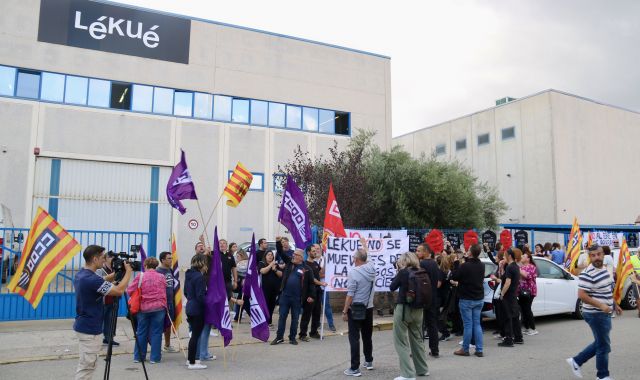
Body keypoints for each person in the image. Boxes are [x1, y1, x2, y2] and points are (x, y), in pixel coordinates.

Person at [74, 245, 132, 380]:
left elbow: (101, 282)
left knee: (87, 364)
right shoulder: (91, 279)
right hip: (90, 329)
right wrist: (128, 272)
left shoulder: (83, 274)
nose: (105, 260)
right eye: (102, 257)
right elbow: (118, 291)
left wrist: (117, 273)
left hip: (84, 325)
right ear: (95, 259)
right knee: (87, 367)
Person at [566, 244, 622, 380]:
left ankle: (576, 361)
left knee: (601, 342)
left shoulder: (603, 269)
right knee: (603, 345)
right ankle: (602, 376)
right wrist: (602, 305)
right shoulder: (587, 274)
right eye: (593, 255)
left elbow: (606, 290)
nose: (597, 257)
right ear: (589, 257)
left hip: (604, 312)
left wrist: (614, 304)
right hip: (595, 314)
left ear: (603, 255)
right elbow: (582, 295)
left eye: (599, 254)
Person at [390, 252, 429, 380]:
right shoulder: (421, 271)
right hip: (418, 309)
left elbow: (392, 286)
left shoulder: (403, 272)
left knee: (401, 341)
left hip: (403, 309)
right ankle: (422, 369)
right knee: (417, 339)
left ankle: (407, 374)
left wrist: (398, 271)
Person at [342, 238, 376, 377]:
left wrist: (345, 311)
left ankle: (354, 368)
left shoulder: (353, 272)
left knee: (354, 338)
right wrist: (365, 245)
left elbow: (350, 295)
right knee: (367, 336)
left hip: (356, 309)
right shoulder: (372, 267)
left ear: (356, 258)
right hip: (369, 307)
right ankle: (368, 361)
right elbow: (369, 255)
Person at [271, 245, 316, 346]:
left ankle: (292, 337)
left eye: (296, 255)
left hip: (297, 298)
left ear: (301, 257)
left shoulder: (307, 269)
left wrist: (312, 296)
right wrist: (278, 242)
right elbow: (281, 252)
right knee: (282, 317)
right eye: (293, 254)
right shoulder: (289, 263)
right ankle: (279, 337)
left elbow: (311, 284)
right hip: (285, 297)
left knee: (295, 318)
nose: (293, 256)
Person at [127, 257, 167, 363]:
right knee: (156, 333)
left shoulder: (141, 276)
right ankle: (155, 358)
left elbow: (130, 290)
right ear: (156, 266)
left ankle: (139, 357)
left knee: (141, 332)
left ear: (145, 266)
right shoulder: (161, 276)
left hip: (143, 308)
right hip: (159, 308)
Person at [451, 244, 485, 357]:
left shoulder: (465, 266)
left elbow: (454, 276)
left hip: (467, 298)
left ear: (470, 253)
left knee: (468, 324)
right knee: (477, 324)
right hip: (478, 298)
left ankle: (465, 349)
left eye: (468, 249)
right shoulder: (481, 265)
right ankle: (479, 349)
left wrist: (456, 264)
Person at [416, 243, 441, 357]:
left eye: (419, 251)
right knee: (432, 325)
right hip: (433, 298)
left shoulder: (422, 264)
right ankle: (435, 350)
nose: (417, 253)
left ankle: (419, 350)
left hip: (423, 298)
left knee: (419, 325)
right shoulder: (435, 264)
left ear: (426, 252)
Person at [184, 254, 208, 370]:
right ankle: (192, 363)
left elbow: (185, 292)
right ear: (201, 263)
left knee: (194, 335)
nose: (206, 265)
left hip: (190, 306)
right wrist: (210, 302)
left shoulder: (189, 274)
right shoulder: (199, 277)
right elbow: (200, 296)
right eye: (205, 263)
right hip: (197, 309)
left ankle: (190, 359)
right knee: (195, 336)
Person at [299, 244, 327, 341]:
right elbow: (313, 279)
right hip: (309, 294)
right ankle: (302, 334)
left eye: (316, 251)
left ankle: (313, 332)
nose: (315, 252)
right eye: (313, 251)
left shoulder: (315, 264)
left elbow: (320, 273)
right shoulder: (305, 265)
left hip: (317, 292)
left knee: (316, 313)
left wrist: (328, 261)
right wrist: (321, 283)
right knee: (307, 314)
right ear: (308, 252)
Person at [497, 248, 523, 347]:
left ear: (509, 256)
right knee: (515, 316)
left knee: (507, 317)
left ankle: (508, 339)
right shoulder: (516, 267)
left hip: (508, 295)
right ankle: (518, 337)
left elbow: (508, 282)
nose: (503, 257)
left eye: (505, 255)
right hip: (513, 294)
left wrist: (502, 294)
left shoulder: (510, 267)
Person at [155, 251, 179, 353]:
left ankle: (167, 345)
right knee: (159, 324)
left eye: (171, 258)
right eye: (169, 258)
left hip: (170, 302)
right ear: (163, 260)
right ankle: (156, 346)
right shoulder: (157, 271)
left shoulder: (171, 270)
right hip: (161, 302)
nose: (171, 260)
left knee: (169, 323)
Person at [95, 252, 119, 346]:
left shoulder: (115, 269)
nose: (113, 259)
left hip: (113, 298)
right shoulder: (101, 269)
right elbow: (98, 281)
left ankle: (109, 338)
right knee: (100, 319)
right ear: (106, 258)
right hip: (104, 299)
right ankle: (97, 338)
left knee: (111, 320)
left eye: (114, 257)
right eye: (111, 257)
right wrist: (113, 282)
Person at [317, 243, 337, 332]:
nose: (317, 251)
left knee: (326, 306)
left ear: (321, 250)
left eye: (318, 249)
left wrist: (320, 274)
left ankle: (331, 324)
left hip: (324, 287)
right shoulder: (311, 261)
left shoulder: (326, 260)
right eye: (315, 249)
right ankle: (316, 324)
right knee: (316, 307)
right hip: (315, 288)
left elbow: (327, 273)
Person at [259, 250, 283, 326]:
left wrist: (275, 269)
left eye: (271, 255)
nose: (270, 256)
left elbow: (281, 274)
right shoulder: (262, 263)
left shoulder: (275, 265)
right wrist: (270, 265)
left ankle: (269, 321)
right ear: (265, 256)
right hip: (265, 289)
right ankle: (264, 321)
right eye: (268, 255)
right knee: (265, 305)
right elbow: (263, 271)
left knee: (272, 305)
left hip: (274, 289)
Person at [519, 251, 538, 336]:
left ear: (528, 259)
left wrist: (518, 269)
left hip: (529, 291)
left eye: (524, 256)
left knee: (527, 309)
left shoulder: (532, 267)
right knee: (523, 309)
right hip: (521, 291)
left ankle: (533, 328)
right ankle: (526, 327)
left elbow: (527, 276)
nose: (522, 257)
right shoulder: (522, 266)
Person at [233, 249, 250, 322]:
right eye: (236, 256)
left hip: (244, 283)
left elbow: (241, 269)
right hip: (241, 283)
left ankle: (238, 317)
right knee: (243, 300)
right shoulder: (240, 262)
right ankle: (238, 317)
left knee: (243, 300)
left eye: (238, 256)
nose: (237, 258)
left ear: (242, 256)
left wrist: (235, 266)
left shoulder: (244, 262)